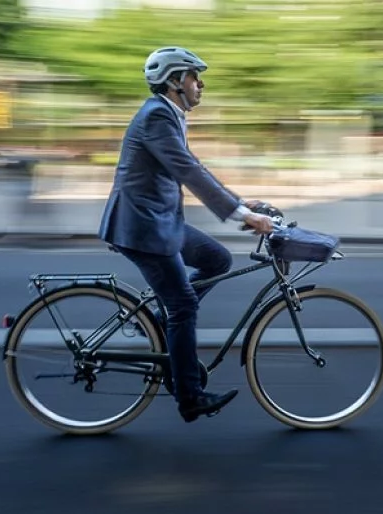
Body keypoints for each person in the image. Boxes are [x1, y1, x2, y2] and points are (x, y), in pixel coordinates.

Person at [98, 47, 275, 423]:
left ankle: (163, 324)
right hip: (142, 227)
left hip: (159, 221)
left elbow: (195, 166)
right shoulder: (157, 117)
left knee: (217, 259)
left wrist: (242, 202)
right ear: (176, 81)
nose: (201, 84)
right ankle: (189, 396)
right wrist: (240, 214)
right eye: (195, 76)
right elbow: (188, 173)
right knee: (183, 307)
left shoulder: (168, 115)